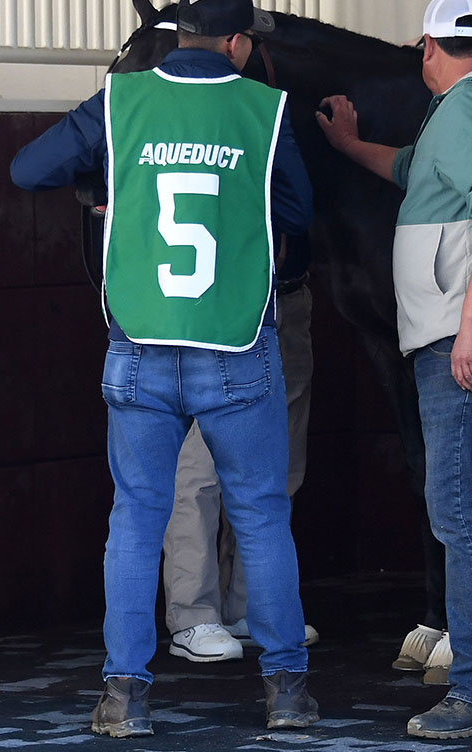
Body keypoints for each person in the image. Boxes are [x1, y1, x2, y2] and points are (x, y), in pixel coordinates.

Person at [9, 0, 318, 737]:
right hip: (237, 347)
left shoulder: (120, 104)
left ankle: (125, 697)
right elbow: (300, 216)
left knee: (136, 521)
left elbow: (25, 170)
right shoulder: (266, 109)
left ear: (179, 34)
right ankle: (286, 694)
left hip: (139, 348)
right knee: (262, 518)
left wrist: (110, 180)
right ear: (240, 43)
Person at [317, 0, 472, 740]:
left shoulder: (466, 113)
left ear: (428, 50)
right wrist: (354, 147)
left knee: (461, 511)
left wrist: (469, 327)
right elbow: (421, 169)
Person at [163, 233, 319, 663]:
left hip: (285, 294)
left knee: (279, 467)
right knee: (200, 468)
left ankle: (250, 608)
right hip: (217, 296)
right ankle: (193, 615)